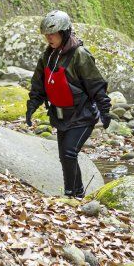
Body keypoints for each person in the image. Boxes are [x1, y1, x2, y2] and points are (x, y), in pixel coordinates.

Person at [25, 10, 112, 197]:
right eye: (46, 34)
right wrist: (32, 106)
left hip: (82, 116)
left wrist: (105, 111)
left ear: (64, 33)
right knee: (65, 157)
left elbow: (96, 85)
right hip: (60, 116)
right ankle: (73, 194)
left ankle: (74, 194)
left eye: (53, 34)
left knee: (69, 153)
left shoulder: (80, 55)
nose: (49, 38)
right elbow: (39, 85)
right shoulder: (47, 56)